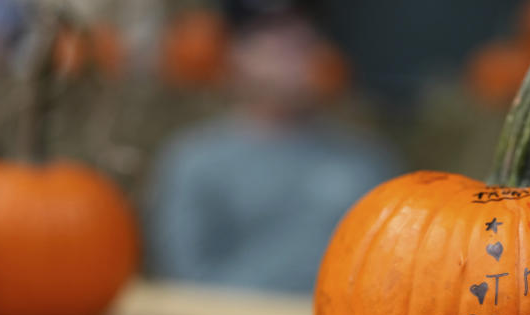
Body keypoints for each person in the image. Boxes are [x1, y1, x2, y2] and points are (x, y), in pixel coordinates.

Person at [145, 2, 399, 294]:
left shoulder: (366, 160)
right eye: (270, 30)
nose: (293, 39)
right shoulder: (195, 160)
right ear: (235, 53)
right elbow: (186, 279)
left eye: (303, 29)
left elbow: (395, 272)